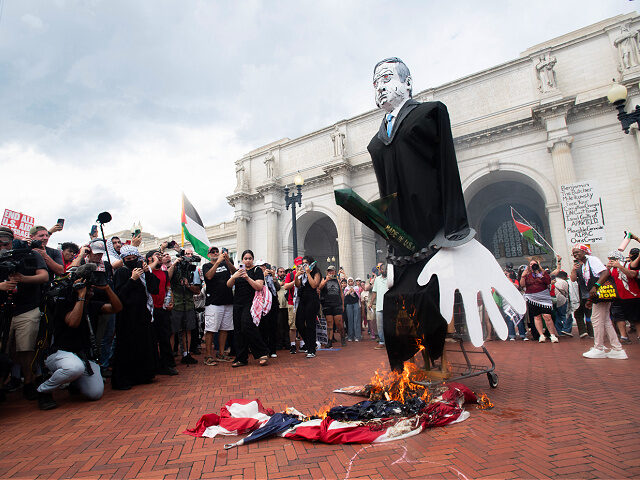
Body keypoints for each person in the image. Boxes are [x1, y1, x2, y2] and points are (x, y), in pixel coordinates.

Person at [364, 58, 523, 371]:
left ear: (408, 83)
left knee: (430, 298)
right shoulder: (376, 141)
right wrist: (388, 236)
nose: (381, 87)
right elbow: (385, 193)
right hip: (403, 245)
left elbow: (448, 170)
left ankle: (436, 361)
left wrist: (454, 232)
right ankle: (405, 368)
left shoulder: (430, 113)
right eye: (375, 83)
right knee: (397, 305)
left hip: (432, 235)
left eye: (386, 78)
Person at [36, 263, 123, 410]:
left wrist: (107, 288)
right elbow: (73, 322)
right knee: (73, 368)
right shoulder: (65, 302)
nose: (91, 290)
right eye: (88, 287)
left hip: (83, 356)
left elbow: (117, 308)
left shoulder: (92, 304)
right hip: (61, 353)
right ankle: (43, 390)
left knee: (95, 393)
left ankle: (74, 382)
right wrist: (81, 296)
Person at [0, 226, 48, 401]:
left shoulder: (29, 254)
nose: (2, 247)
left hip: (27, 308)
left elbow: (44, 276)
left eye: (5, 243)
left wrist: (23, 279)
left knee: (26, 349)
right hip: (4, 312)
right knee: (4, 351)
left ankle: (29, 382)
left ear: (11, 242)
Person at [111, 245, 160, 389]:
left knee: (144, 344)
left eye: (134, 258)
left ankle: (144, 374)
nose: (131, 261)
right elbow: (119, 295)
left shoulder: (144, 272)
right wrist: (132, 279)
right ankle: (125, 378)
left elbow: (154, 289)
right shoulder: (121, 272)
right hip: (127, 316)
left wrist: (147, 272)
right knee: (127, 346)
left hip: (143, 314)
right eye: (128, 259)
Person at [571, 245, 627, 359]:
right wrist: (590, 300)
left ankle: (599, 348)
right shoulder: (585, 264)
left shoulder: (592, 260)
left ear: (584, 251)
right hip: (598, 296)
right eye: (574, 253)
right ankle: (617, 348)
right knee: (605, 321)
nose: (575, 255)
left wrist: (596, 286)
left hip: (601, 294)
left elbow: (605, 273)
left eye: (577, 252)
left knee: (596, 320)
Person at [227, 249, 269, 367]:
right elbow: (229, 285)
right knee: (238, 330)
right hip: (237, 303)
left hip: (251, 303)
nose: (247, 261)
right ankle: (241, 358)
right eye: (245, 259)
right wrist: (234, 276)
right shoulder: (239, 271)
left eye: (250, 258)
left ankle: (262, 352)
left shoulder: (257, 270)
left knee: (247, 326)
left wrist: (247, 278)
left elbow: (259, 287)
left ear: (253, 259)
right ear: (242, 260)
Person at [146, 250, 178, 376]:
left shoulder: (164, 273)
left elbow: (168, 289)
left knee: (165, 337)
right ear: (149, 259)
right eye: (157, 256)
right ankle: (153, 365)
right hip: (150, 310)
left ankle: (167, 364)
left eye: (161, 256)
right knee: (152, 339)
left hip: (162, 310)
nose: (160, 258)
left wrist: (171, 302)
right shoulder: (146, 272)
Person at [202, 246, 236, 366]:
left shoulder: (225, 264)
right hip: (213, 302)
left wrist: (227, 260)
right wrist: (217, 262)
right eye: (213, 252)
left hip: (227, 301)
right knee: (211, 329)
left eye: (217, 252)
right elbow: (209, 276)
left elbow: (234, 272)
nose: (216, 253)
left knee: (224, 329)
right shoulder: (206, 266)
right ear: (208, 255)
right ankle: (208, 356)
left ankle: (221, 353)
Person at [169, 249, 202, 365]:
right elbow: (167, 278)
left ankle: (186, 354)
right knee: (172, 331)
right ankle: (169, 357)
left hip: (188, 304)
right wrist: (174, 264)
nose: (189, 256)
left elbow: (198, 290)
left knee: (187, 330)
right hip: (176, 304)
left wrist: (188, 286)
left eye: (191, 255)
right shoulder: (175, 267)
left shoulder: (194, 271)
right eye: (187, 254)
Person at [520, 256, 559, 343]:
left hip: (544, 297)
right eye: (530, 264)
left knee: (547, 316)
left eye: (534, 264)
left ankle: (552, 335)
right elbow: (522, 285)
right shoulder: (527, 274)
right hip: (532, 297)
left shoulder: (543, 273)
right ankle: (541, 335)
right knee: (537, 316)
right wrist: (523, 276)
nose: (532, 266)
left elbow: (548, 282)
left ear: (538, 265)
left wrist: (539, 273)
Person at [606, 250, 640, 345]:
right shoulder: (611, 269)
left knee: (636, 318)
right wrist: (607, 269)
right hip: (617, 297)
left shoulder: (629, 264)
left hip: (632, 296)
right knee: (619, 318)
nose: (611, 261)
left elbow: (632, 274)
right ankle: (624, 336)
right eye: (610, 259)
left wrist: (620, 267)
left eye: (613, 259)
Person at [294, 255, 322, 358]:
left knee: (310, 324)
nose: (304, 265)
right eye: (303, 263)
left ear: (311, 264)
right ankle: (310, 343)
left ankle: (311, 349)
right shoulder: (302, 274)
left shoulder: (316, 272)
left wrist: (308, 273)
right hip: (303, 299)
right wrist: (297, 276)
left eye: (306, 263)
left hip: (312, 299)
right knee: (299, 323)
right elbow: (297, 285)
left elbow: (314, 285)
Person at [318, 266, 345, 348]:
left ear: (335, 271)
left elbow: (341, 293)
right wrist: (326, 280)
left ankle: (343, 338)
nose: (330, 273)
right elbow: (320, 287)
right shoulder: (324, 279)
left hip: (337, 304)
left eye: (332, 271)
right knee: (329, 324)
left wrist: (343, 305)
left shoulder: (337, 280)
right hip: (327, 304)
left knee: (339, 323)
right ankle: (329, 341)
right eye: (329, 271)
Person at [257, 261, 280, 357]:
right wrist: (262, 276)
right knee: (263, 327)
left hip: (273, 302)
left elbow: (278, 288)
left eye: (265, 266)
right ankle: (264, 349)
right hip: (262, 303)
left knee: (273, 326)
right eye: (262, 266)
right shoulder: (257, 276)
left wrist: (274, 277)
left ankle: (273, 350)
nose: (264, 267)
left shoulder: (271, 277)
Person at [283, 260, 302, 354]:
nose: (300, 267)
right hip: (292, 303)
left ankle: (303, 344)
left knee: (303, 324)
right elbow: (286, 286)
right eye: (298, 265)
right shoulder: (290, 275)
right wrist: (296, 279)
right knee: (292, 325)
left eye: (302, 265)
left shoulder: (306, 274)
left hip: (303, 302)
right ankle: (293, 344)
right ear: (295, 266)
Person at [369, 264, 388, 350]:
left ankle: (390, 342)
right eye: (382, 269)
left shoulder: (391, 279)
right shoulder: (377, 280)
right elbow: (374, 292)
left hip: (389, 306)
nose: (384, 271)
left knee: (389, 325)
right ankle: (381, 341)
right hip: (379, 306)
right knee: (380, 326)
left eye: (385, 269)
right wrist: (371, 303)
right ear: (380, 270)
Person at [344, 277, 362, 341]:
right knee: (350, 320)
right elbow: (345, 297)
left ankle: (357, 336)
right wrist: (348, 292)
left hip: (356, 304)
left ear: (353, 282)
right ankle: (350, 336)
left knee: (356, 320)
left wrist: (354, 292)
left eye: (351, 281)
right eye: (349, 281)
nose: (350, 282)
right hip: (349, 305)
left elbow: (358, 297)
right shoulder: (346, 289)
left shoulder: (356, 288)